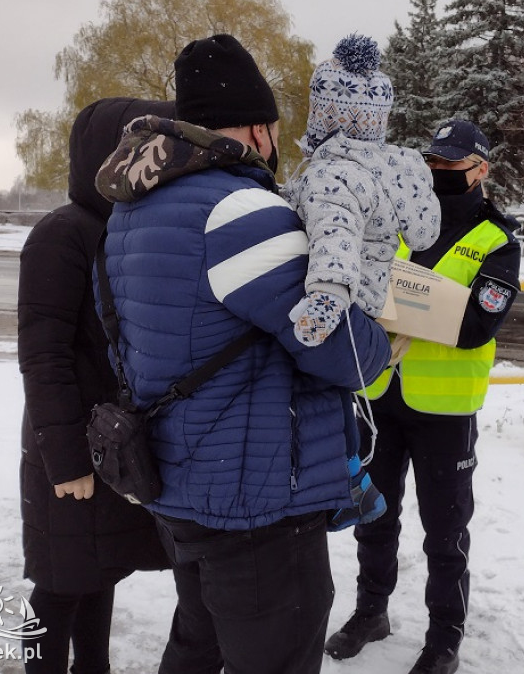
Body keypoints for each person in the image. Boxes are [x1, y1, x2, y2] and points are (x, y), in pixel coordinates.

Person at [93, 34, 391, 674]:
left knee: (198, 643)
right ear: (258, 129)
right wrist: (375, 322)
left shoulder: (132, 214)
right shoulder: (241, 212)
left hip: (180, 483)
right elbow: (349, 356)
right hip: (257, 504)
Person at [325, 119, 521, 674]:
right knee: (374, 517)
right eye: (432, 164)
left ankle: (444, 638)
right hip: (382, 395)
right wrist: (416, 302)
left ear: (481, 170)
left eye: (451, 166)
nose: (437, 174)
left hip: (446, 412)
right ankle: (371, 611)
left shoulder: (497, 241)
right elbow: (363, 291)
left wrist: (395, 301)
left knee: (445, 531)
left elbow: (475, 326)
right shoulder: (402, 225)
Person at [17, 97, 173, 674]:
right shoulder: (62, 234)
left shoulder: (124, 227)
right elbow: (44, 356)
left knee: (97, 573)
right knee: (59, 588)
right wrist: (65, 460)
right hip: (72, 451)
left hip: (114, 445)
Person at [283, 32, 441, 530]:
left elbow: (335, 239)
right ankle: (353, 479)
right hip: (368, 307)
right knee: (339, 393)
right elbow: (424, 231)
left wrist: (325, 301)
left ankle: (347, 484)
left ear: (323, 117)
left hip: (338, 304)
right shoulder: (392, 170)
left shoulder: (331, 177)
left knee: (316, 394)